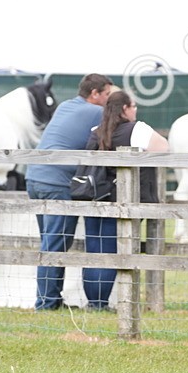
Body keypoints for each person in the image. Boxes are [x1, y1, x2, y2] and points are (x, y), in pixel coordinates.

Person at [25, 73, 114, 310]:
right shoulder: (96, 112)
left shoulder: (66, 105)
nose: (109, 100)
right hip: (57, 182)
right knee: (54, 244)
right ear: (95, 94)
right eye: (107, 94)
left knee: (49, 241)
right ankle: (46, 303)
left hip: (35, 177)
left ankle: (52, 299)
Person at [82, 90, 169, 310]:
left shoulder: (95, 131)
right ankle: (101, 304)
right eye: (134, 106)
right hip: (124, 201)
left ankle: (94, 302)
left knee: (94, 249)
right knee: (113, 250)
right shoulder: (137, 129)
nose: (135, 110)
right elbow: (163, 148)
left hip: (95, 198)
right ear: (124, 108)